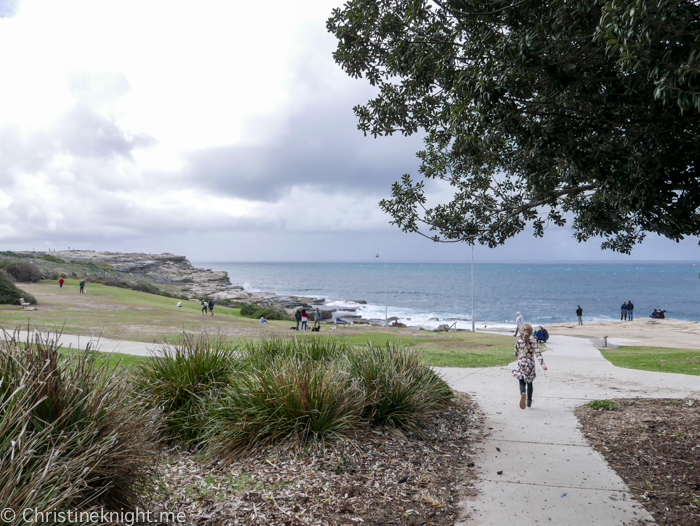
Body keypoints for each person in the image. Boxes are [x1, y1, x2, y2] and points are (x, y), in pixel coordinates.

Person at [512, 322, 547, 409]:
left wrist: (518, 352)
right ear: (531, 333)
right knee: (530, 382)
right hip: (530, 365)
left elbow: (515, 354)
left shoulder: (519, 342)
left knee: (521, 380)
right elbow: (538, 353)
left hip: (521, 364)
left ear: (521, 332)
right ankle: (529, 401)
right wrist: (542, 364)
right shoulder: (534, 342)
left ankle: (522, 392)